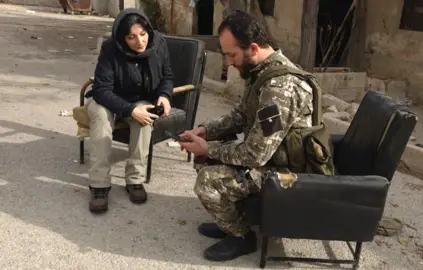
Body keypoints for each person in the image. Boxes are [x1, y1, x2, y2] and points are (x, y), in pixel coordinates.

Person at [178, 11, 333, 262]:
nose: (229, 62)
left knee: (207, 180)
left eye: (232, 55)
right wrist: (206, 131)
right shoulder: (261, 71)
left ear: (252, 47)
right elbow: (241, 115)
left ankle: (241, 237)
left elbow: (256, 154)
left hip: (289, 171)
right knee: (207, 160)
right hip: (273, 157)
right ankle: (231, 220)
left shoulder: (279, 88)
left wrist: (208, 149)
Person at [84, 8, 174, 214]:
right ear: (122, 37)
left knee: (145, 118)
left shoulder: (158, 43)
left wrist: (165, 95)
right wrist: (129, 109)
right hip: (107, 98)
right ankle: (99, 186)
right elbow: (101, 90)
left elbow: (167, 76)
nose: (140, 42)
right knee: (100, 115)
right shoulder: (110, 48)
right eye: (131, 37)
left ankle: (135, 180)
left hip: (140, 98)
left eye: (143, 34)